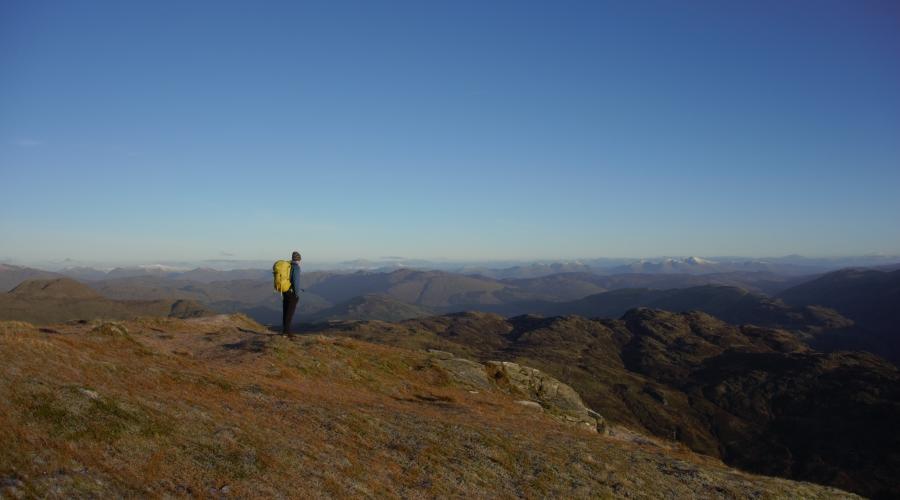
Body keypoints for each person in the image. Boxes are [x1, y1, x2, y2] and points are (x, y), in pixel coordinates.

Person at [282, 251, 302, 336]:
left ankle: (285, 331)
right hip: (292, 293)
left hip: (285, 291)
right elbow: (295, 282)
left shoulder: (288, 266)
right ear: (299, 259)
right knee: (290, 313)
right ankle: (287, 332)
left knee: (286, 311)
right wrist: (297, 294)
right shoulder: (296, 268)